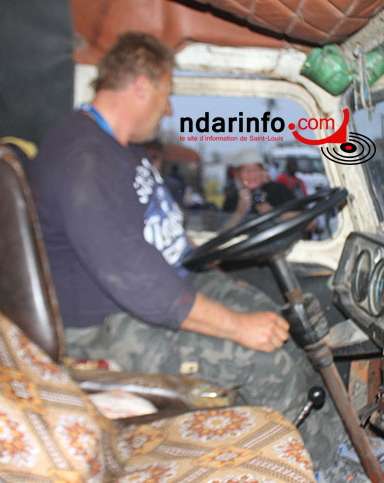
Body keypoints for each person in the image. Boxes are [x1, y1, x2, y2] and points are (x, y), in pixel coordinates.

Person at [27, 32, 345, 471]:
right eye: (167, 94)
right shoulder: (84, 159)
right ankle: (320, 471)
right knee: (265, 357)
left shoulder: (119, 151)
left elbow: (161, 239)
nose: (169, 108)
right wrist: (235, 327)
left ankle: (329, 446)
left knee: (280, 323)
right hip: (110, 326)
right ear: (142, 85)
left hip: (159, 291)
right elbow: (136, 279)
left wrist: (220, 281)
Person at [221, 148, 297, 230]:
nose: (251, 175)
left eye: (256, 169)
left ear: (263, 172)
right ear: (237, 175)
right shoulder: (232, 200)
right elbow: (221, 233)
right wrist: (239, 212)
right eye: (245, 170)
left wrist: (273, 213)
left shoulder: (279, 190)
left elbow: (309, 223)